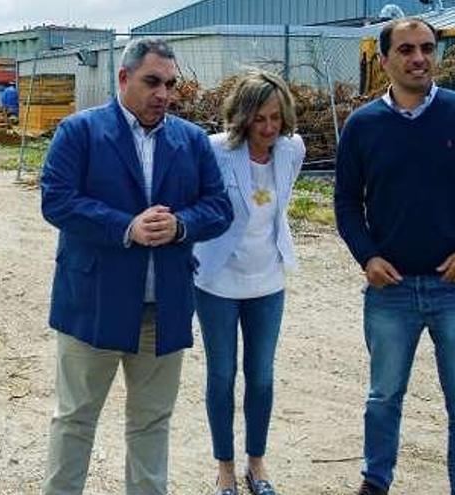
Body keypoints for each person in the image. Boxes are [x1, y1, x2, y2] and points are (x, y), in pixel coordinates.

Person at [39, 37, 233, 494]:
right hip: (93, 305)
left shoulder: (190, 140)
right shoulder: (79, 132)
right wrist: (127, 227)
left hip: (161, 310)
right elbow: (57, 200)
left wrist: (181, 225)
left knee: (151, 424)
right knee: (75, 420)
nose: (163, 94)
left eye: (170, 84)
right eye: (152, 82)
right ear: (123, 78)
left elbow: (219, 207)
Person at [334, 18, 455, 495]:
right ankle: (375, 482)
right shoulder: (362, 125)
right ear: (386, 59)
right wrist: (367, 258)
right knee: (383, 397)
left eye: (427, 48)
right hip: (389, 291)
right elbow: (347, 204)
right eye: (407, 49)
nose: (419, 58)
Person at [192, 71, 305, 495]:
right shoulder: (215, 149)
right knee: (221, 375)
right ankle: (225, 466)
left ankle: (256, 462)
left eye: (276, 117)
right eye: (259, 119)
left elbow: (279, 208)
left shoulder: (292, 150)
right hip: (218, 280)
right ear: (242, 118)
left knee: (261, 376)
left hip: (267, 280)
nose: (269, 128)